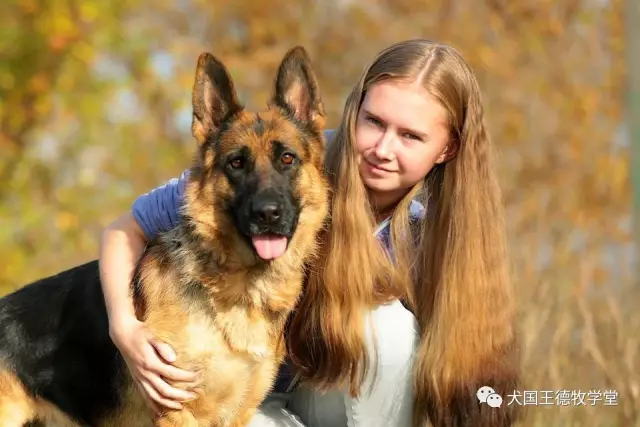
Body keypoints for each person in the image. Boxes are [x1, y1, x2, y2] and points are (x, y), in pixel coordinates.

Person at [99, 39, 520, 427]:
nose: (383, 150)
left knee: (391, 330)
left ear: (447, 148)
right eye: (374, 121)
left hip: (335, 396)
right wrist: (125, 329)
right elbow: (124, 230)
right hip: (252, 405)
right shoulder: (283, 160)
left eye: (410, 135)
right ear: (352, 109)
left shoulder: (432, 231)